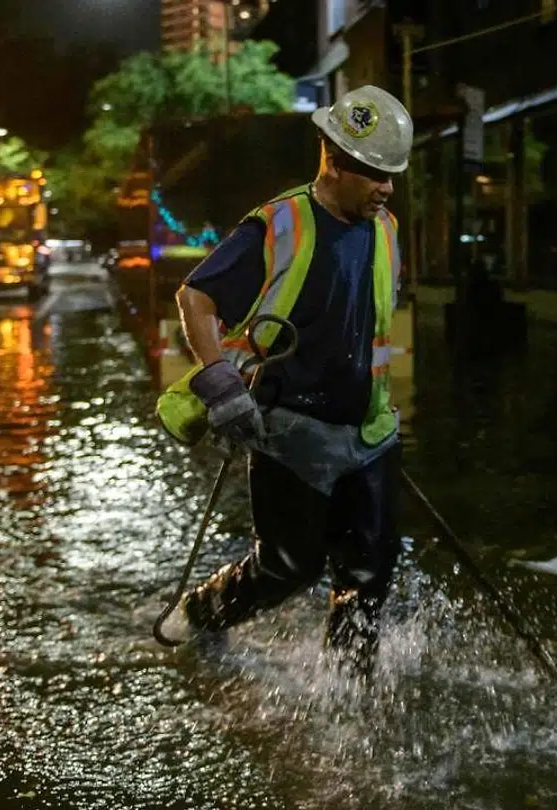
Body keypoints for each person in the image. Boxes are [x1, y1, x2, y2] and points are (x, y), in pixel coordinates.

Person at [155, 85, 414, 678]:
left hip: (369, 431)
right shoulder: (280, 224)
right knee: (288, 568)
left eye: (393, 174)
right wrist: (221, 384)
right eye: (375, 172)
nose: (387, 187)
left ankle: (348, 697)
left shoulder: (386, 229)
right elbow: (195, 296)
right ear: (334, 159)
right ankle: (201, 612)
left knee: (370, 572)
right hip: (290, 431)